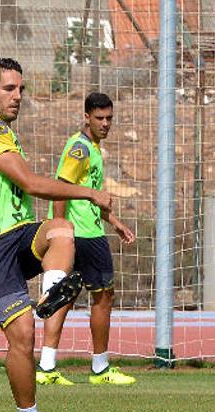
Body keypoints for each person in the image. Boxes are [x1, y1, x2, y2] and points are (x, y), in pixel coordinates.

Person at [0, 57, 113, 412]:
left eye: (21, 89)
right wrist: (90, 193)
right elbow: (29, 181)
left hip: (17, 235)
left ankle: (50, 296)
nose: (18, 96)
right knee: (21, 336)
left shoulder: (6, 134)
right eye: (10, 89)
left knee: (62, 229)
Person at [35, 92, 137, 387]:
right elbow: (60, 189)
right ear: (86, 117)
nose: (105, 124)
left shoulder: (91, 147)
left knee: (64, 297)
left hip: (86, 230)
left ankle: (46, 366)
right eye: (100, 118)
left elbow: (86, 196)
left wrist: (115, 222)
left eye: (109, 118)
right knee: (103, 297)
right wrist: (60, 230)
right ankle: (100, 367)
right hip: (84, 236)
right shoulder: (79, 149)